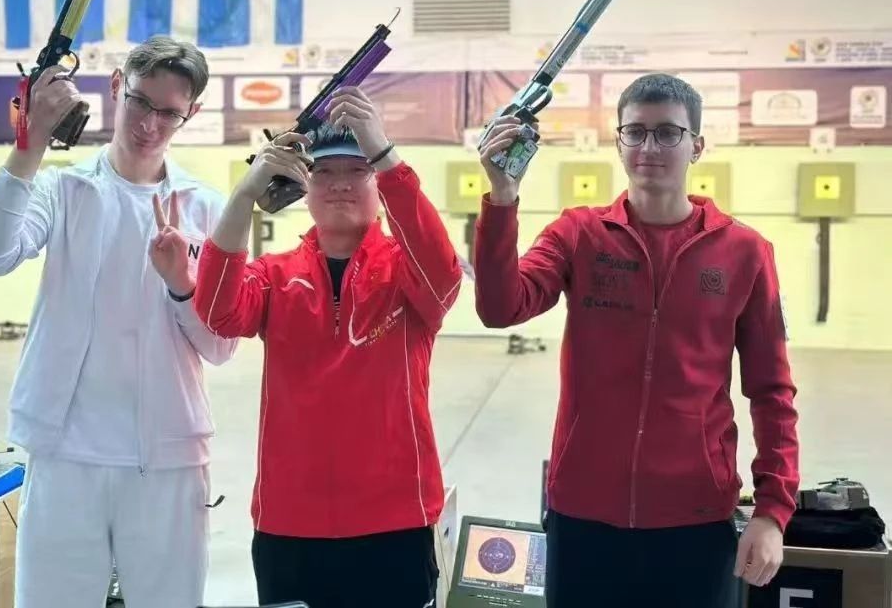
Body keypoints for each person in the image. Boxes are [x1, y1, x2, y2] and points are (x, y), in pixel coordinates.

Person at [473, 73, 800, 608]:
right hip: (584, 512)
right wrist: (503, 197)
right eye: (636, 132)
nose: (650, 147)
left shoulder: (745, 251)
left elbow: (772, 392)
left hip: (696, 516)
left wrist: (772, 511)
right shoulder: (577, 234)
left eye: (668, 133)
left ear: (697, 146)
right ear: (619, 142)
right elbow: (501, 307)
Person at [0, 36, 234, 608]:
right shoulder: (61, 189)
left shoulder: (208, 209)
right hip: (65, 451)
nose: (150, 124)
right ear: (117, 86)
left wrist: (181, 284)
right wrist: (31, 142)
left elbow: (221, 346)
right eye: (140, 102)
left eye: (169, 112)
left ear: (191, 113)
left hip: (168, 455)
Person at [193, 87, 462, 608]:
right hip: (290, 524)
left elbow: (444, 278)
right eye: (323, 172)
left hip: (396, 521)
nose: (340, 184)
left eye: (357, 171)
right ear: (304, 186)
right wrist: (244, 196)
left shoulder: (408, 274)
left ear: (378, 183)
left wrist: (385, 153)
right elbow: (217, 312)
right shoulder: (274, 275)